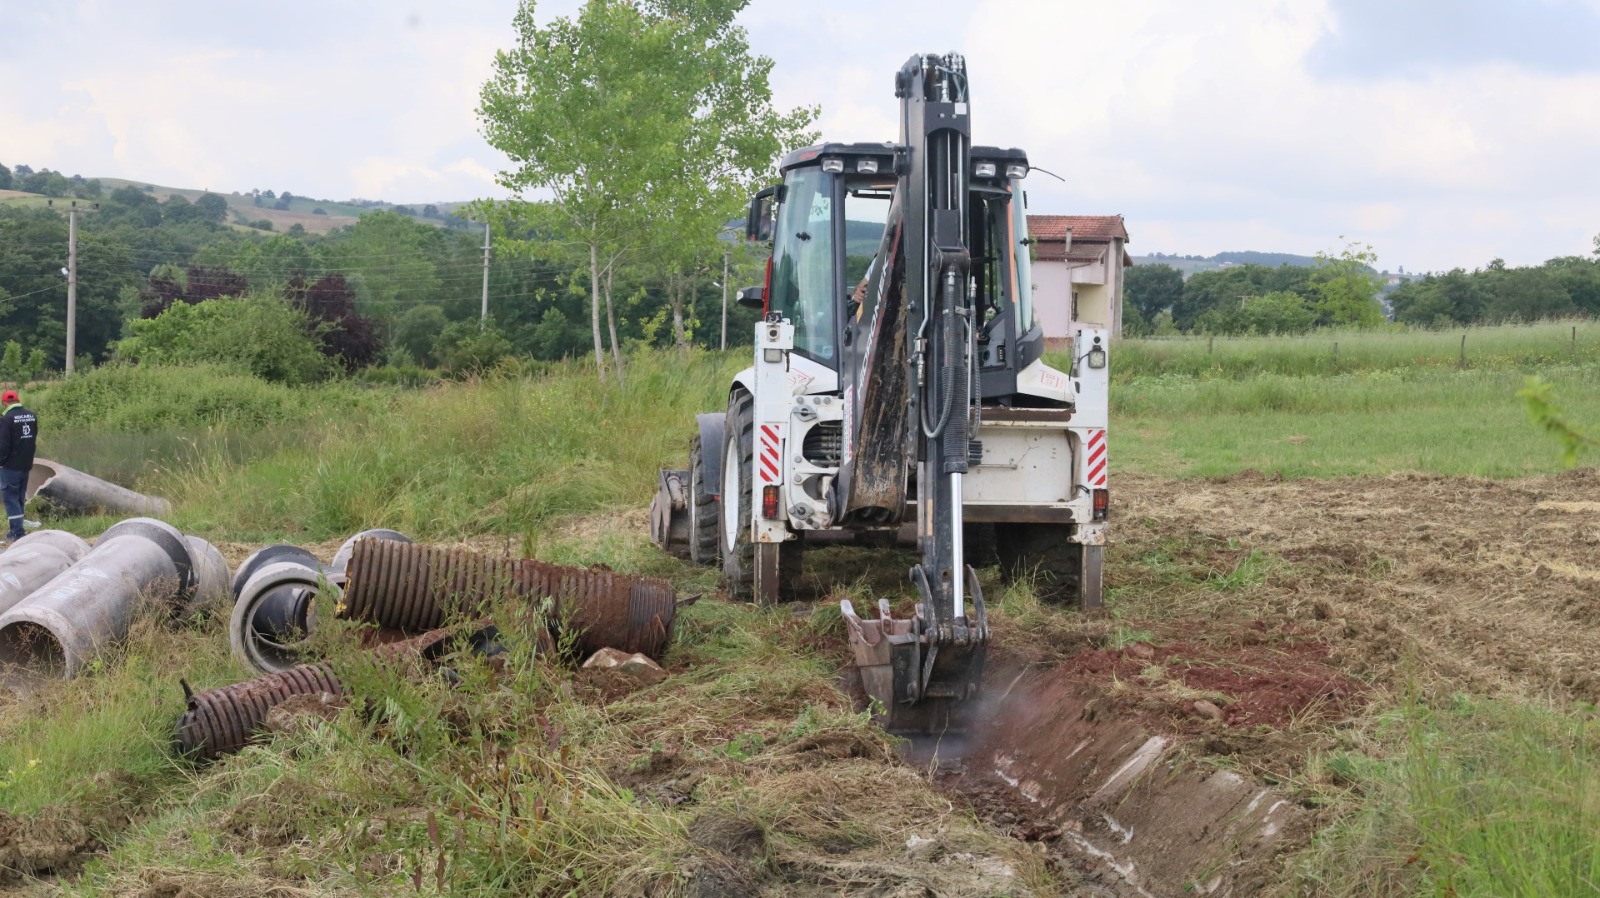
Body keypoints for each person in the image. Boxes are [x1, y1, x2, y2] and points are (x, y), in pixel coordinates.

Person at [0, 389, 37, 543]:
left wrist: (1, 461)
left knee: (10, 498)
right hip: (26, 464)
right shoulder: (32, 416)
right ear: (17, 400)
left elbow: (3, 444)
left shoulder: (7, 419)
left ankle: (17, 534)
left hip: (10, 466)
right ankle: (16, 530)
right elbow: (33, 437)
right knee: (19, 497)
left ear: (4, 403)